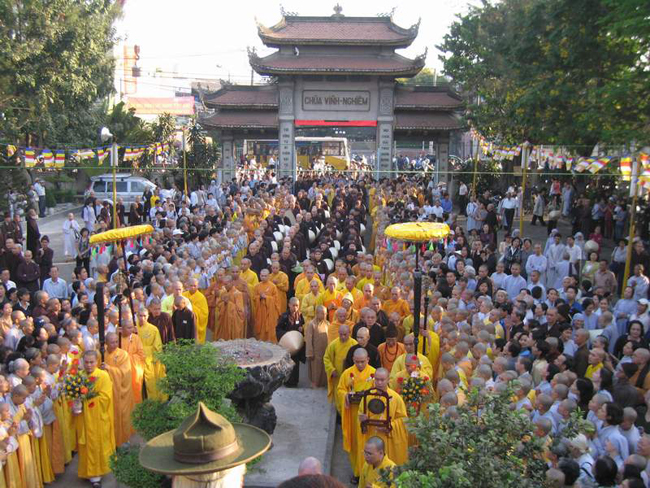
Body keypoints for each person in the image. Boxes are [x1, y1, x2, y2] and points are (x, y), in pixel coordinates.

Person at [337, 348, 376, 482]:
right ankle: (357, 472)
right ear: (353, 360)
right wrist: (346, 395)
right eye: (357, 362)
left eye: (363, 362)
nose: (360, 364)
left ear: (368, 360)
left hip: (368, 415)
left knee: (367, 444)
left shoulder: (373, 373)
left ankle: (369, 474)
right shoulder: (347, 373)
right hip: (353, 414)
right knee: (355, 444)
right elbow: (340, 390)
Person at [78, 350, 115, 488]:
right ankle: (86, 471)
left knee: (97, 444)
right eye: (86, 362)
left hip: (98, 417)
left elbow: (106, 397)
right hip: (84, 418)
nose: (88, 365)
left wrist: (88, 397)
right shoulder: (80, 376)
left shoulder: (103, 375)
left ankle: (97, 474)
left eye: (91, 362)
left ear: (97, 361)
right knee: (85, 444)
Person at [358, 367, 408, 466]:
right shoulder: (368, 396)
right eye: (377, 379)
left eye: (382, 380)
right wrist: (362, 420)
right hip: (372, 436)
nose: (379, 383)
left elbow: (403, 420)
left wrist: (391, 426)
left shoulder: (396, 398)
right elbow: (360, 414)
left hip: (387, 438)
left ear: (388, 379)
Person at [102, 332, 135, 447]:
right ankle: (109, 441)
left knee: (122, 415)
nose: (115, 344)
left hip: (120, 392)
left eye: (116, 341)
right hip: (106, 391)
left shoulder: (123, 355)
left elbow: (125, 373)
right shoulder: (101, 354)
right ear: (106, 343)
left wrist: (109, 369)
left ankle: (123, 440)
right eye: (112, 342)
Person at [323, 324, 357, 411]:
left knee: (351, 394)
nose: (342, 336)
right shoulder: (333, 344)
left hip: (351, 376)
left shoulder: (354, 344)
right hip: (338, 375)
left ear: (349, 333)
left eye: (345, 334)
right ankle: (339, 413)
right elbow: (326, 358)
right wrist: (332, 369)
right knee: (339, 395)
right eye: (340, 334)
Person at [276, 297, 306, 387]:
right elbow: (278, 329)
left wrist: (302, 329)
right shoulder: (284, 316)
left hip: (296, 344)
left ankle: (295, 382)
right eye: (293, 305)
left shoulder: (300, 315)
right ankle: (287, 381)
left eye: (297, 306)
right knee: (287, 363)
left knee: (296, 364)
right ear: (289, 305)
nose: (295, 308)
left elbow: (302, 326)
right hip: (287, 344)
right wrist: (286, 335)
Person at [305, 305, 329, 388]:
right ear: (317, 313)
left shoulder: (327, 324)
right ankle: (314, 384)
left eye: (325, 313)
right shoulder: (312, 324)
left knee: (323, 368)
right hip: (315, 352)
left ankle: (322, 384)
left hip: (325, 351)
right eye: (322, 313)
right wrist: (309, 353)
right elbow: (308, 339)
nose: (324, 315)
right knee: (315, 369)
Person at [254, 269, 281, 343]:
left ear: (269, 276)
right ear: (260, 276)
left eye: (265, 276)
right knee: (260, 327)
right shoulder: (257, 286)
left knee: (270, 328)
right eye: (262, 276)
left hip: (270, 312)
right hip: (260, 311)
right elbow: (254, 298)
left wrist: (267, 298)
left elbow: (276, 300)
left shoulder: (273, 286)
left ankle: (271, 342)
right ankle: (260, 341)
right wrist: (259, 297)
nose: (263, 277)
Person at [183, 278, 209, 344]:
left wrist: (191, 306)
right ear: (188, 286)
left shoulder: (201, 297)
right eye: (191, 285)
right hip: (186, 322)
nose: (193, 287)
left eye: (195, 286)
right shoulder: (184, 295)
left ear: (198, 286)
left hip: (196, 323)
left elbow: (204, 314)